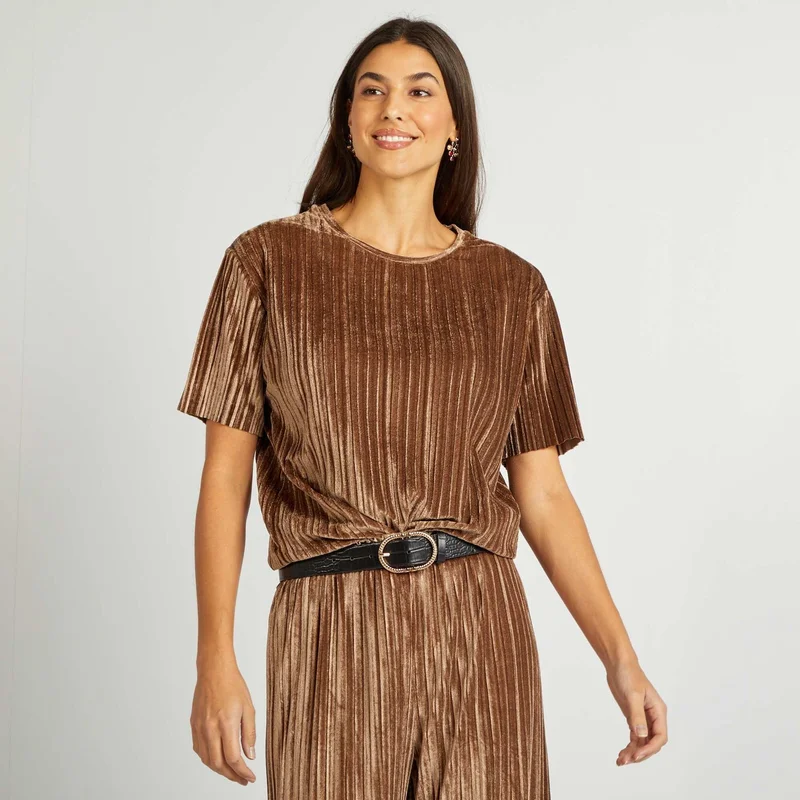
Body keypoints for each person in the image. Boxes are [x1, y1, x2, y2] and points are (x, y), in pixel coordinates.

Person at [176, 16, 668, 799]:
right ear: (347, 119)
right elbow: (224, 479)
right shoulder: (266, 263)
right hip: (328, 627)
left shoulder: (512, 290)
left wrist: (621, 658)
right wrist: (214, 660)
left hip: (478, 628)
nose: (393, 109)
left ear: (454, 125)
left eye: (419, 91)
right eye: (371, 91)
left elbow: (543, 495)